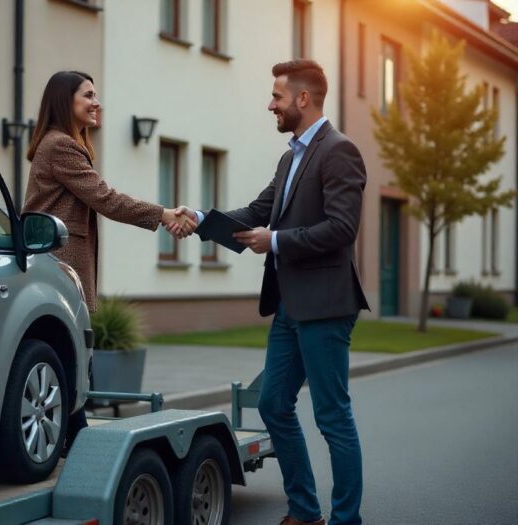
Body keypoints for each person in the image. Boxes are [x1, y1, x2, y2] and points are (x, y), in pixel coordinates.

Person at [175, 59, 369, 525]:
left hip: (324, 305)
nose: (270, 104)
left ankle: (346, 519)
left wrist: (276, 240)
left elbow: (342, 229)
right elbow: (259, 209)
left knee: (332, 416)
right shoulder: (291, 156)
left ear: (303, 99)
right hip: (288, 305)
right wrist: (200, 219)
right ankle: (305, 510)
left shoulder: (339, 151)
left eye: (277, 96)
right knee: (272, 404)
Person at [23, 70, 193, 452]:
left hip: (58, 260)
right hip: (58, 262)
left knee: (71, 348)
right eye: (88, 95)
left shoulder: (62, 144)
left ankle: (76, 432)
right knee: (70, 346)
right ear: (64, 101)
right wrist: (164, 213)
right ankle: (77, 433)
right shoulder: (60, 146)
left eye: (96, 94)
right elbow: (106, 198)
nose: (97, 102)